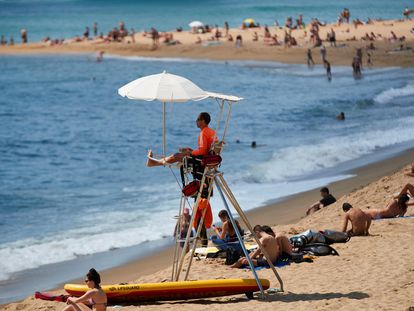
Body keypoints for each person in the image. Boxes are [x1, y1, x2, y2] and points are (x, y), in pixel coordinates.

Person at [147, 112, 217, 167]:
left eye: (198, 119)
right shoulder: (212, 131)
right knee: (182, 153)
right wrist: (191, 151)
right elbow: (205, 149)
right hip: (207, 158)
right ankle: (155, 162)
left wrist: (191, 152)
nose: (196, 121)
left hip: (201, 160)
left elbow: (203, 151)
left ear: (203, 121)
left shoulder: (203, 132)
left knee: (176, 156)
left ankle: (154, 163)